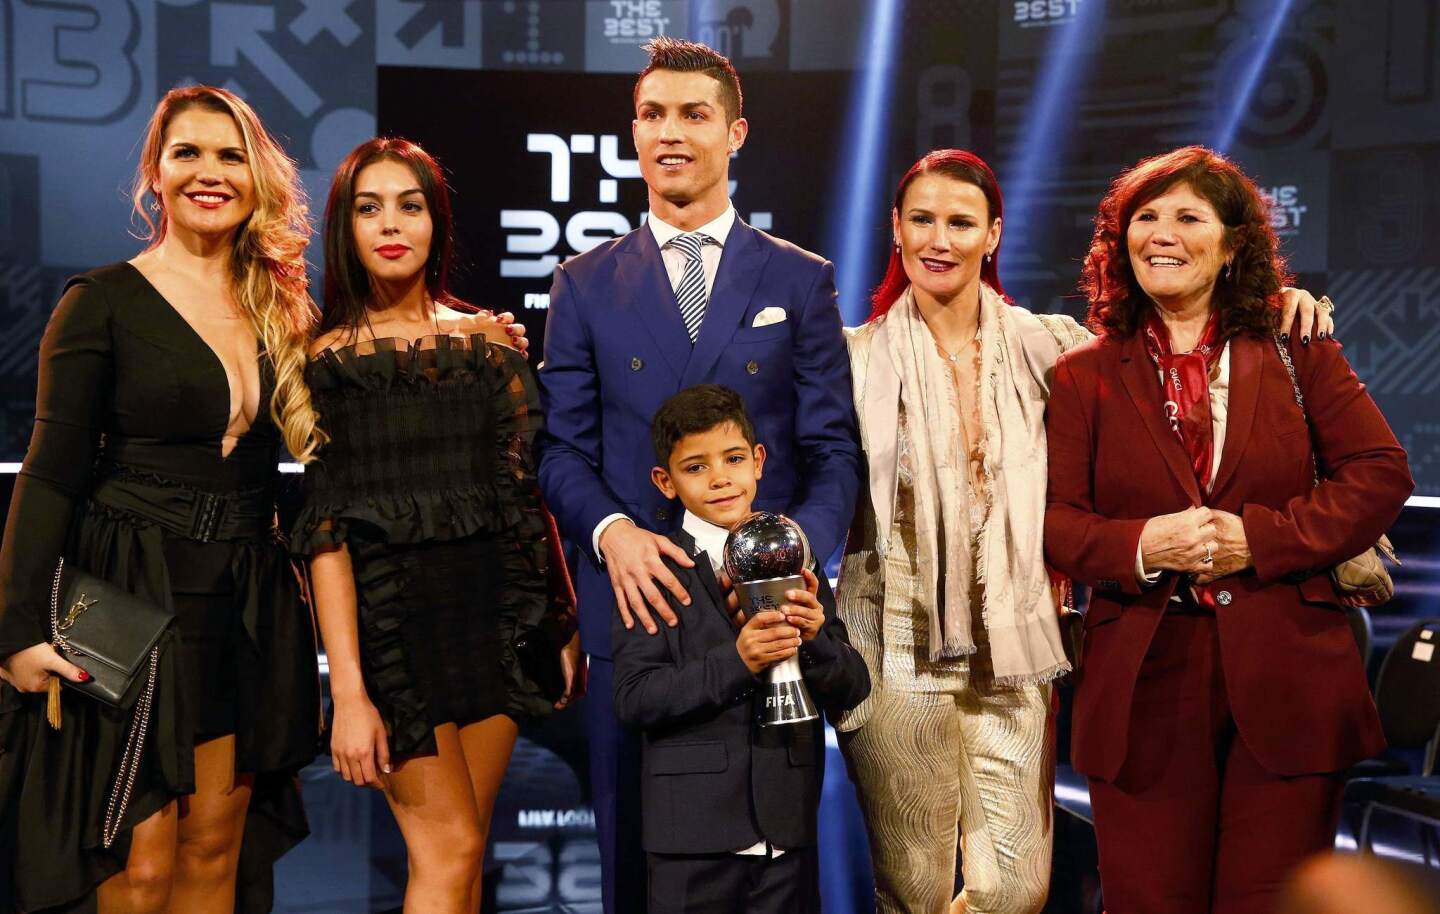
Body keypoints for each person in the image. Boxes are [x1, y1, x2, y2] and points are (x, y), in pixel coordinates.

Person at [834, 148, 1339, 914]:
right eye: (924, 220)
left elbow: (1174, 333)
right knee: (911, 888)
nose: (941, 238)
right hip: (892, 645)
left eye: (961, 222)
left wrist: (1276, 302)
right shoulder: (851, 359)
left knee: (1016, 889)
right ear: (896, 231)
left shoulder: (1054, 348)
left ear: (993, 235)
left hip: (1017, 650)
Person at [1044, 145, 1413, 914]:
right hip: (1146, 680)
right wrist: (1146, 545)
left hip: (1288, 679)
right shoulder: (1084, 373)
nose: (1162, 234)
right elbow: (1055, 521)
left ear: (1233, 243)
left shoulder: (1293, 344)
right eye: (1144, 218)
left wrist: (1262, 539)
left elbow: (1380, 472)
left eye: (1188, 217)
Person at [537, 37, 860, 911]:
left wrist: (793, 559)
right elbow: (560, 449)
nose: (669, 133)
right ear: (633, 134)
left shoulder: (798, 280)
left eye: (693, 114)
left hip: (773, 623)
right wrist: (614, 535)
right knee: (637, 878)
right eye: (652, 115)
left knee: (772, 874)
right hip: (639, 621)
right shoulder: (583, 284)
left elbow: (833, 452)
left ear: (737, 131)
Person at [0, 85, 321, 913]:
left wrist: (474, 334)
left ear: (256, 176)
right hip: (119, 596)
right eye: (187, 153)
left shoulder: (277, 306)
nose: (208, 173)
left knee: (216, 850)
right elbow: (48, 474)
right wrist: (18, 631)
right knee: (135, 863)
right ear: (155, 172)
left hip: (241, 599)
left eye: (228, 155)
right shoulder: (99, 302)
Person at [294, 137, 581, 914]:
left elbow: (524, 498)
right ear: (344, 230)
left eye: (410, 206)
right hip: (394, 637)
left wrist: (560, 617)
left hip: (490, 620)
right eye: (369, 207)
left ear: (436, 223)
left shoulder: (491, 343)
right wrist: (347, 693)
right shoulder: (319, 362)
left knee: (462, 850)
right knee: (448, 847)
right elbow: (325, 536)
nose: (392, 224)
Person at [611, 384, 870, 914]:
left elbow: (852, 686)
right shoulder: (653, 569)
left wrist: (817, 637)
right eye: (696, 467)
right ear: (666, 481)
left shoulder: (793, 554)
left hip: (787, 831)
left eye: (732, 459)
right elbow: (635, 698)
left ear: (758, 461)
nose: (721, 478)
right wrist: (740, 661)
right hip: (692, 838)